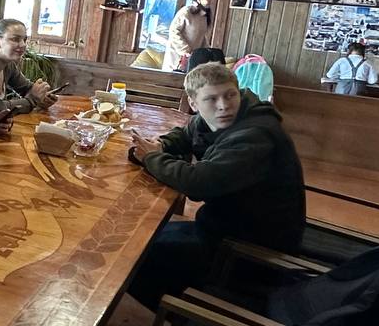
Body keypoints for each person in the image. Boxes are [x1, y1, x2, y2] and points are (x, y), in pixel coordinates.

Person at [127, 62, 306, 310]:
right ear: (194, 104)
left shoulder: (255, 134)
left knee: (130, 258)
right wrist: (162, 145)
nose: (223, 105)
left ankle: (186, 316)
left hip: (250, 249)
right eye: (211, 99)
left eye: (230, 95)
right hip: (224, 225)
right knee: (137, 239)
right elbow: (187, 133)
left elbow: (198, 183)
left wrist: (151, 157)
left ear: (238, 92)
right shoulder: (220, 118)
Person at [0, 18, 58, 115]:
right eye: (15, 39)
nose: (23, 45)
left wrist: (42, 97)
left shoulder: (9, 65)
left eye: (24, 40)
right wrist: (32, 101)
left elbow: (27, 88)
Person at [163, 0, 213, 73]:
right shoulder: (186, 12)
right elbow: (173, 31)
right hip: (177, 56)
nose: (210, 1)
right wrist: (185, 50)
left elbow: (202, 37)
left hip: (192, 58)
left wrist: (206, 51)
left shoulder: (204, 16)